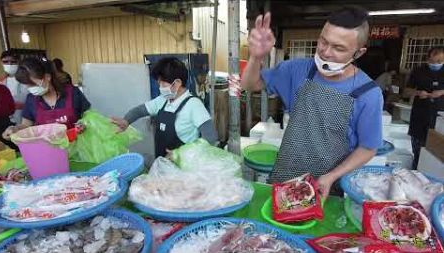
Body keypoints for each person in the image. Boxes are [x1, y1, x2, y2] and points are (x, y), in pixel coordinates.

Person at [240, 7, 383, 198]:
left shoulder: (368, 93)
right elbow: (250, 84)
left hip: (328, 188)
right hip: (284, 178)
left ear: (358, 53)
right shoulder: (298, 70)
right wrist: (256, 57)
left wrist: (332, 176)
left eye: (338, 48)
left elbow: (368, 148)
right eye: (323, 41)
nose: (326, 52)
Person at [112, 57, 217, 157]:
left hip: (184, 169)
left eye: (163, 85)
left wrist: (183, 155)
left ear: (177, 83)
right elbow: (140, 110)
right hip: (162, 162)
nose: (160, 88)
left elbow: (211, 137)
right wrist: (126, 121)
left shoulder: (194, 105)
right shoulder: (162, 100)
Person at [2, 57, 91, 140]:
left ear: (47, 77)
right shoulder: (31, 99)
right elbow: (26, 124)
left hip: (78, 147)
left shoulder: (72, 92)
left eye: (33, 84)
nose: (30, 88)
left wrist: (84, 123)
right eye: (27, 85)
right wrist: (15, 129)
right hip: (48, 150)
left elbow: (90, 115)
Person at [408, 47, 444, 170]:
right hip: (420, 116)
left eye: (439, 61)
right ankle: (414, 173)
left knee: (435, 157)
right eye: (433, 61)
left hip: (439, 120)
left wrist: (442, 92)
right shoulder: (418, 71)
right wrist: (418, 92)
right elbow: (406, 91)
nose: (435, 64)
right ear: (427, 59)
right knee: (417, 151)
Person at [0, 50, 29, 125]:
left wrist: (23, 105)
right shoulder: (0, 82)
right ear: (1, 62)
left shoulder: (27, 79)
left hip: (27, 118)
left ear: (19, 62)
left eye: (13, 61)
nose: (9, 64)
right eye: (5, 62)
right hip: (8, 120)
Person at [0, 82, 15, 147]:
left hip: (2, 129)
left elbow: (11, 109)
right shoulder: (2, 88)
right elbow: (11, 109)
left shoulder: (1, 89)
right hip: (4, 127)